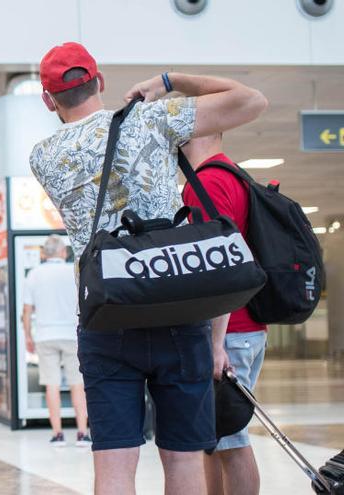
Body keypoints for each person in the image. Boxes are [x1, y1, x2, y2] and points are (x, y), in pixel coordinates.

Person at [28, 42, 268, 495]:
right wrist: (168, 83)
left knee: (114, 465)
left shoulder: (42, 156)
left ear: (47, 100)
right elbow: (252, 99)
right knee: (183, 462)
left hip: (106, 314)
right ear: (99, 82)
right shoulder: (151, 118)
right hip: (177, 307)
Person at [182, 134, 267, 495]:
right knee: (214, 437)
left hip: (229, 331)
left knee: (231, 438)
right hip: (241, 326)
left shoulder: (208, 182)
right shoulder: (230, 174)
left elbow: (220, 268)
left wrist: (216, 344)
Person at [21, 235, 90, 447]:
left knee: (51, 384)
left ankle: (58, 434)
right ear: (63, 252)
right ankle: (82, 433)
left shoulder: (34, 275)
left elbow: (27, 311)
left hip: (45, 335)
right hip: (72, 335)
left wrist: (28, 337)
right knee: (77, 383)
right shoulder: (74, 271)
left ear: (44, 254)